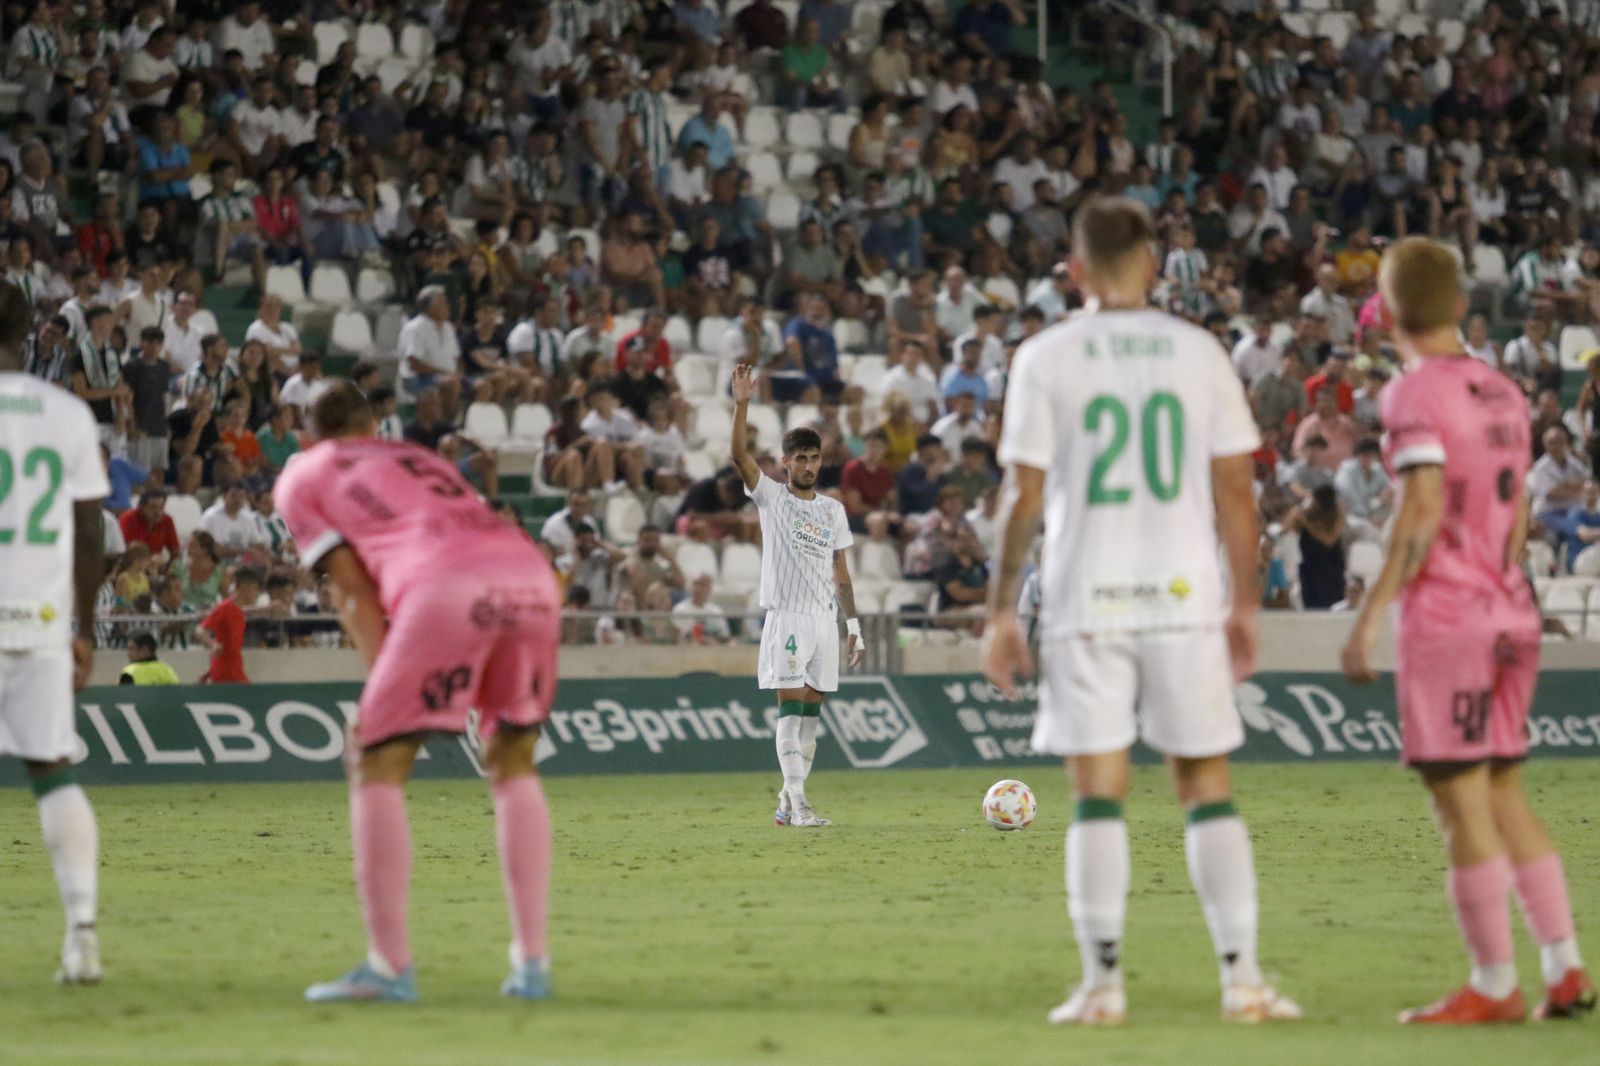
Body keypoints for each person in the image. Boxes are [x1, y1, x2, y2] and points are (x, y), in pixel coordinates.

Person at [981, 199, 1299, 1025]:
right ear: (1154, 265)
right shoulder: (1198, 352)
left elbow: (1024, 496)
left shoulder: (1046, 355)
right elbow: (1238, 489)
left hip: (1087, 596)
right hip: (1185, 594)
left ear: (1074, 270)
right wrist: (1245, 603)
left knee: (1098, 792)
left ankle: (1104, 984)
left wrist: (999, 612)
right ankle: (1244, 980)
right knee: (1206, 784)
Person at [1341, 237, 1594, 1024]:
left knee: (1462, 803)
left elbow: (1419, 510)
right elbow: (1516, 511)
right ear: (1459, 304)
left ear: (1386, 312)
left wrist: (1373, 610)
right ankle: (1564, 968)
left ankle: (1493, 984)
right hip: (1510, 606)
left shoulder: (1415, 394)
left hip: (1450, 619)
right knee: (1506, 789)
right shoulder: (1503, 389)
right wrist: (1502, 579)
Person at [276, 382, 560, 1003]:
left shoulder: (305, 474)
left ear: (308, 434)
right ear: (375, 428)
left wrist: (382, 685)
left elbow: (351, 589)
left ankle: (389, 967)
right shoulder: (419, 457)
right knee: (513, 757)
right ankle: (532, 965)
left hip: (445, 584)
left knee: (376, 758)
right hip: (530, 575)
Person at [0, 280, 109, 984]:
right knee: (53, 771)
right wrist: (85, 627)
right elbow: (91, 530)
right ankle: (82, 934)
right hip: (36, 620)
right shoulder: (68, 413)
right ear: (31, 330)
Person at [730, 364, 863, 829]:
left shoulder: (833, 511)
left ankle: (788, 805)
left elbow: (841, 572)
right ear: (785, 462)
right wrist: (742, 402)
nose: (808, 465)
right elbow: (738, 456)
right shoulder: (770, 497)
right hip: (786, 617)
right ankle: (801, 804)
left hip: (824, 621)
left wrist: (854, 627)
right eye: (800, 458)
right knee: (789, 709)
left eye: (814, 458)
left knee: (810, 718)